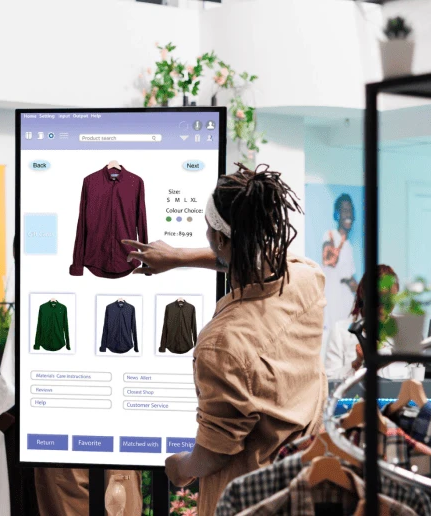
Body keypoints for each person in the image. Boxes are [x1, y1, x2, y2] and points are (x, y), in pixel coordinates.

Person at [124, 163, 327, 516]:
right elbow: (254, 258)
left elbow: (216, 450)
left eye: (207, 228)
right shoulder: (307, 278)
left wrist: (181, 469)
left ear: (220, 239)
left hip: (247, 502)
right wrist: (178, 257)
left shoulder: (222, 344)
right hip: (307, 487)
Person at [0, 236, 143, 516]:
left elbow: (10, 389)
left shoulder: (36, 299)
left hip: (62, 449)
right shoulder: (105, 294)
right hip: (118, 443)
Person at [325, 265, 410, 380]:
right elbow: (329, 382)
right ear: (362, 293)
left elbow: (416, 375)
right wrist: (357, 362)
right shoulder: (341, 330)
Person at [321, 193, 358, 340]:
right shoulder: (329, 235)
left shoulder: (349, 246)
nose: (348, 214)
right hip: (332, 302)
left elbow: (351, 278)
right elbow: (329, 259)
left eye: (350, 210)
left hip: (346, 304)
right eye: (344, 210)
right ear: (337, 214)